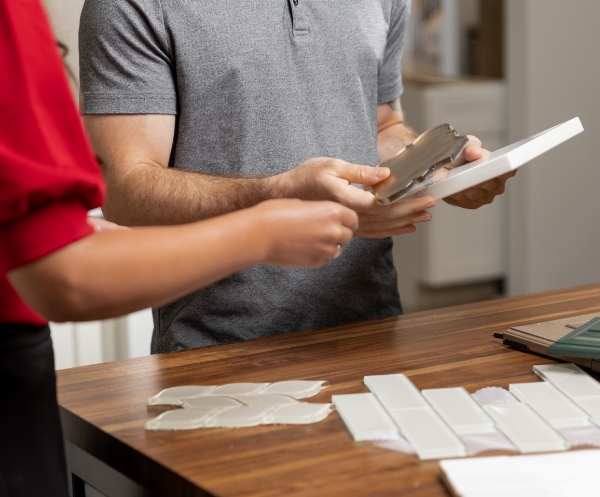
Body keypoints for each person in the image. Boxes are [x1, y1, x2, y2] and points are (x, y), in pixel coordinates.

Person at [0, 0, 392, 497]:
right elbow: (70, 262)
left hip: (373, 342)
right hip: (203, 365)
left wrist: (426, 168)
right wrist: (266, 219)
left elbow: (380, 126)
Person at [79, 0, 515, 354]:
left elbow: (381, 126)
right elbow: (125, 189)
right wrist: (279, 194)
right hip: (217, 347)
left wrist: (434, 164)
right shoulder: (129, 6)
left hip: (372, 328)